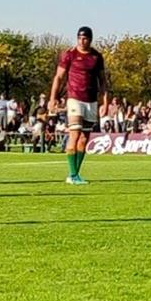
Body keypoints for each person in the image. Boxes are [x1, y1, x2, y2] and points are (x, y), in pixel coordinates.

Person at [48, 25, 111, 185]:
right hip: (74, 98)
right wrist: (53, 98)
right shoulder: (70, 54)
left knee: (84, 139)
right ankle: (72, 174)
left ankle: (76, 174)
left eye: (85, 38)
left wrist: (105, 102)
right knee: (74, 134)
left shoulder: (96, 57)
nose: (82, 41)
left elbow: (103, 81)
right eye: (80, 38)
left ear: (90, 39)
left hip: (91, 100)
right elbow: (59, 77)